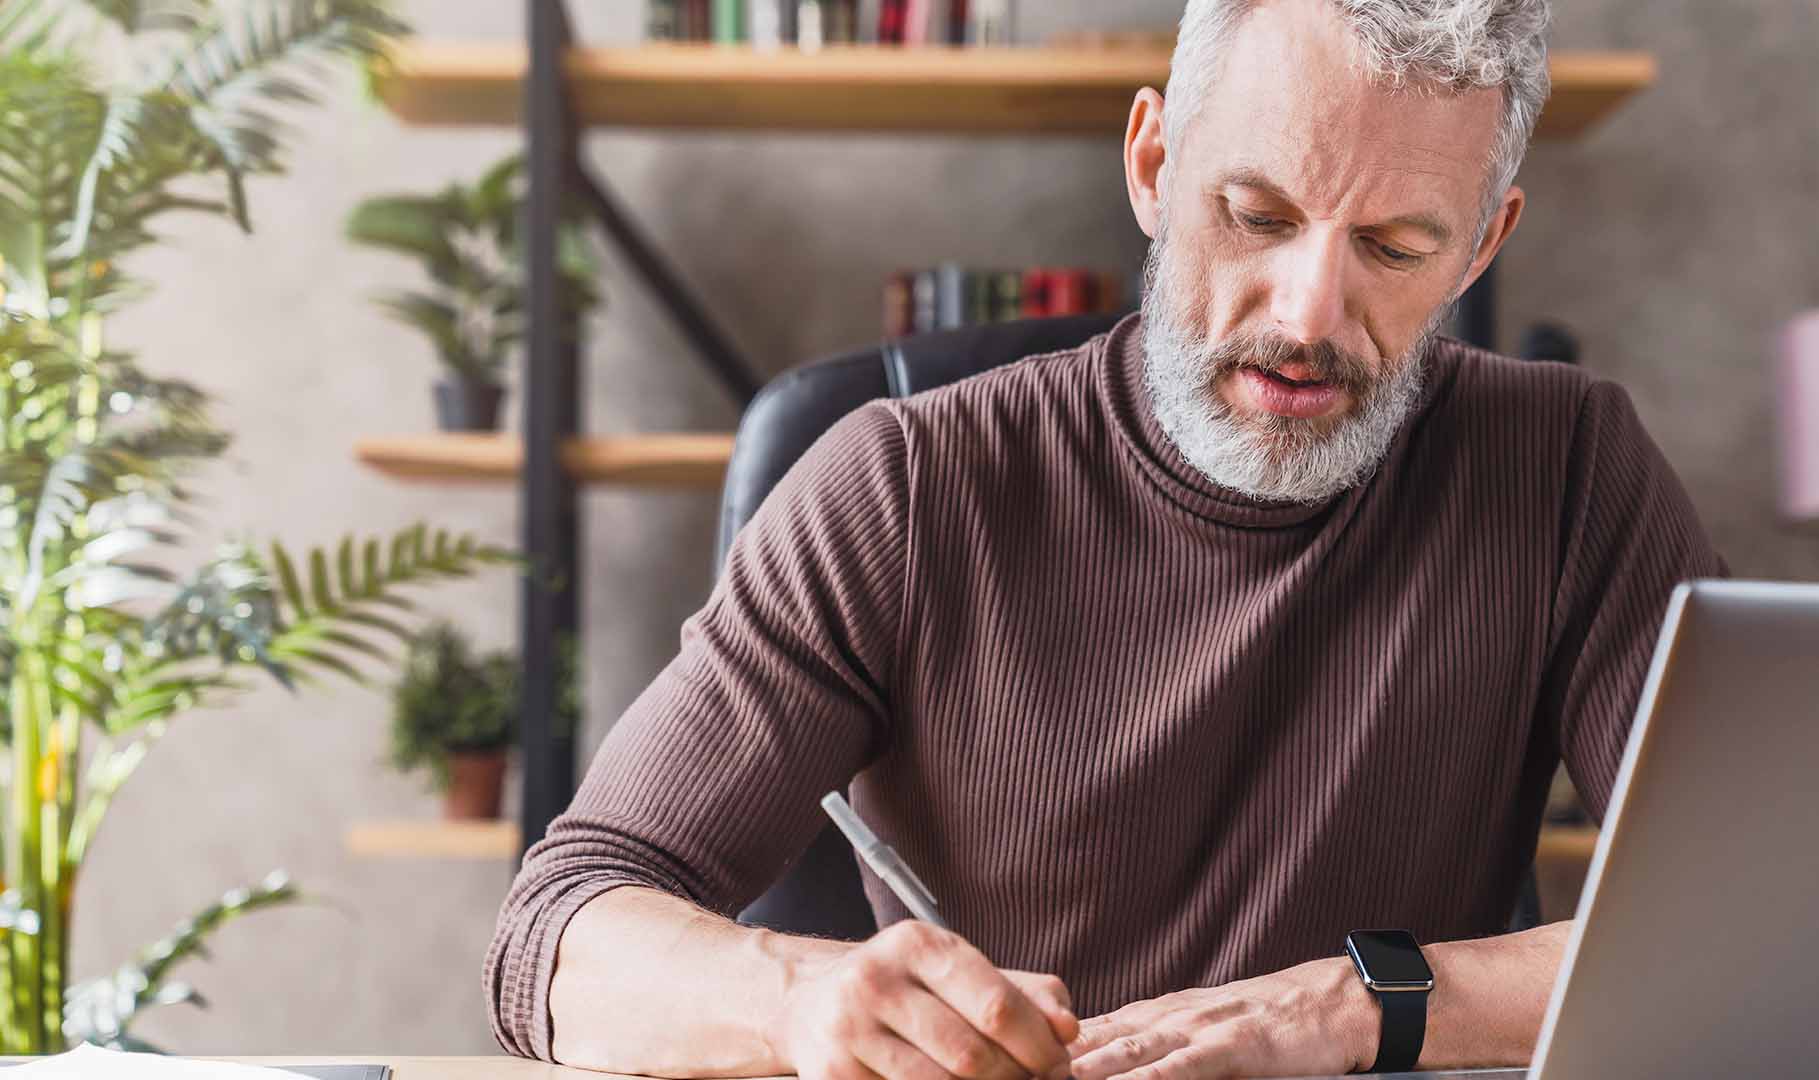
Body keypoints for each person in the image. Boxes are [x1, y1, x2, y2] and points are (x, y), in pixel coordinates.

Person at [487, 0, 1724, 1076]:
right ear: (1151, 163)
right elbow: (556, 932)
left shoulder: (1566, 469)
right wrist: (801, 998)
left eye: (1397, 248)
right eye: (1255, 214)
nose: (1308, 313)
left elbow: (1763, 918)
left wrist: (1358, 1004)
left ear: (1483, 245)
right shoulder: (901, 486)